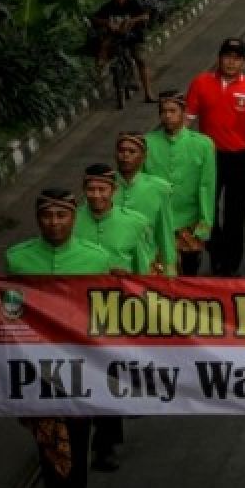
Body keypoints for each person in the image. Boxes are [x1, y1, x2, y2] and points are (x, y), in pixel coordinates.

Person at [7, 189, 114, 488]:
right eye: (47, 216)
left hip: (80, 364)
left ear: (73, 217)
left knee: (78, 436)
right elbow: (9, 309)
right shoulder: (17, 258)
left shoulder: (96, 258)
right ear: (38, 219)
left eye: (61, 215)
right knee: (47, 437)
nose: (54, 223)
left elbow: (104, 315)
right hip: (35, 366)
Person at [73, 163, 154, 472]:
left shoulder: (133, 224)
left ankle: (104, 445)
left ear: (113, 191)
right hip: (74, 314)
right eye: (90, 190)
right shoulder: (70, 220)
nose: (96, 196)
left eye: (102, 189)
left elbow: (142, 272)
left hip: (114, 313)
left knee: (108, 375)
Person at [185, 38, 245, 277]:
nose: (231, 62)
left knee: (236, 213)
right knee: (206, 211)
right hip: (208, 159)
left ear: (243, 62)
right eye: (227, 56)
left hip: (239, 158)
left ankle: (231, 265)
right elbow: (187, 120)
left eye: (237, 58)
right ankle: (217, 251)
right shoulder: (200, 83)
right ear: (219, 58)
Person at [144, 91, 217, 276]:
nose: (167, 116)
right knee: (161, 274)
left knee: (190, 273)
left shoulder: (203, 144)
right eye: (163, 111)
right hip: (158, 221)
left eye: (172, 110)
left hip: (189, 220)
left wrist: (205, 222)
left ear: (184, 112)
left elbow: (207, 186)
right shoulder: (147, 143)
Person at [112, 131, 176, 275]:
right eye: (121, 151)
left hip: (148, 264)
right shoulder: (103, 188)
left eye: (132, 151)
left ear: (143, 156)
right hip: (113, 269)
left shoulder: (159, 189)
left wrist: (170, 268)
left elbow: (165, 231)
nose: (125, 155)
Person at [92, 0, 157, 102]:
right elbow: (95, 18)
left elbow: (145, 16)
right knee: (104, 47)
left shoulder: (132, 3)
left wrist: (133, 20)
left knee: (140, 60)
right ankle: (101, 73)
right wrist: (107, 23)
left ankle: (148, 93)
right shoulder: (108, 7)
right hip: (116, 37)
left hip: (134, 36)